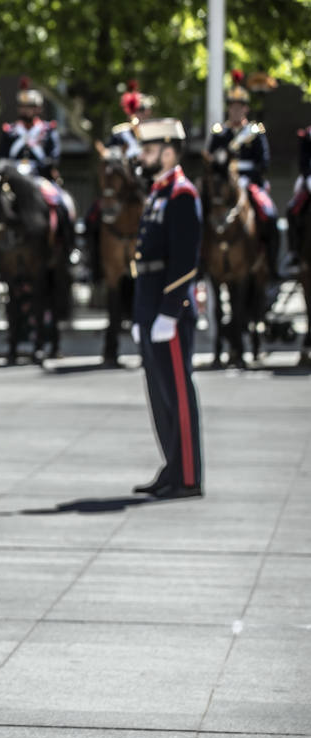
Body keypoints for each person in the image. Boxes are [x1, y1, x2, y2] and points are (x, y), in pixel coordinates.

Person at [131, 117, 203, 500]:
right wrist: (142, 312)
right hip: (150, 307)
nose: (142, 156)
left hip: (167, 312)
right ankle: (172, 467)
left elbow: (184, 260)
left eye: (148, 149)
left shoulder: (181, 194)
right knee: (160, 397)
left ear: (169, 151)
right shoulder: (158, 192)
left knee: (177, 394)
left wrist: (170, 311)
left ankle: (188, 476)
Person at [207, 71, 278, 280]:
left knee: (270, 214)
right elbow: (211, 161)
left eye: (240, 107)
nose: (235, 110)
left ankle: (272, 264)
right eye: (232, 106)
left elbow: (264, 162)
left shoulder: (255, 132)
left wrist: (247, 177)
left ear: (246, 108)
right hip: (224, 184)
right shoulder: (220, 133)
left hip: (250, 182)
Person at [0, 78, 61, 176]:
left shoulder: (48, 131)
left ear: (38, 109)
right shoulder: (9, 131)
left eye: (29, 107)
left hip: (40, 176)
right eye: (22, 107)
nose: (25, 110)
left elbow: (53, 158)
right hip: (14, 177)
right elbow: (2, 157)